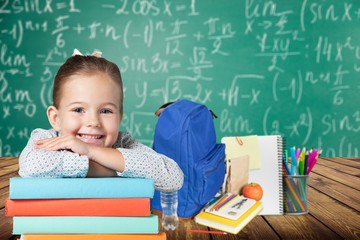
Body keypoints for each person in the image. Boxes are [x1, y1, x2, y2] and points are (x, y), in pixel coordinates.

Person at [19, 49, 184, 192]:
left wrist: (91, 151)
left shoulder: (123, 143)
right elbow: (30, 166)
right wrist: (109, 168)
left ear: (120, 118)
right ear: (56, 118)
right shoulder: (48, 140)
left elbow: (173, 177)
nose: (93, 122)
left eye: (106, 111)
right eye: (78, 110)